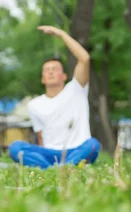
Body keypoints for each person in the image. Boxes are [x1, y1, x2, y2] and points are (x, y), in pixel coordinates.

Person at [8, 25, 100, 168]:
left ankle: (62, 168)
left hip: (75, 150)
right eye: (47, 70)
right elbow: (40, 137)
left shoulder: (76, 89)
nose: (51, 72)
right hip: (49, 153)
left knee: (93, 145)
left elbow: (84, 58)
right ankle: (56, 169)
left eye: (55, 69)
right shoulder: (34, 105)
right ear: (43, 78)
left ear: (64, 76)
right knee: (15, 148)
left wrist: (62, 34)